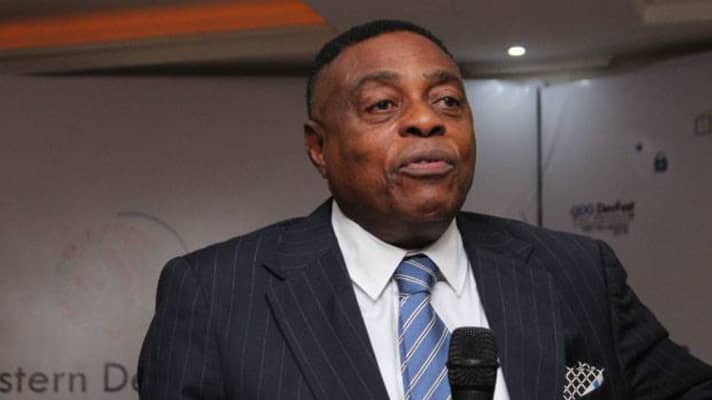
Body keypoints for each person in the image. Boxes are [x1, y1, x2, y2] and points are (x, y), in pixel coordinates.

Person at [137, 20, 712, 400]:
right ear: (319, 147)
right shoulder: (214, 293)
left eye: (447, 100)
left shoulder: (576, 269)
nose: (426, 120)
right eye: (382, 105)